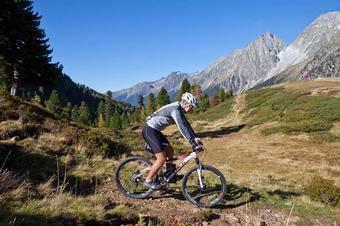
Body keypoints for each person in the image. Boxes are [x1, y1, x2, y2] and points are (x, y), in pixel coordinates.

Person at [142, 92, 202, 190]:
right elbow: (182, 127)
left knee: (170, 150)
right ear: (186, 103)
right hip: (149, 130)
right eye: (192, 107)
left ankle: (169, 174)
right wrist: (192, 143)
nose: (192, 110)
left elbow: (186, 125)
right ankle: (148, 180)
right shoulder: (175, 110)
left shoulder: (179, 109)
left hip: (155, 131)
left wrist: (195, 137)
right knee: (161, 158)